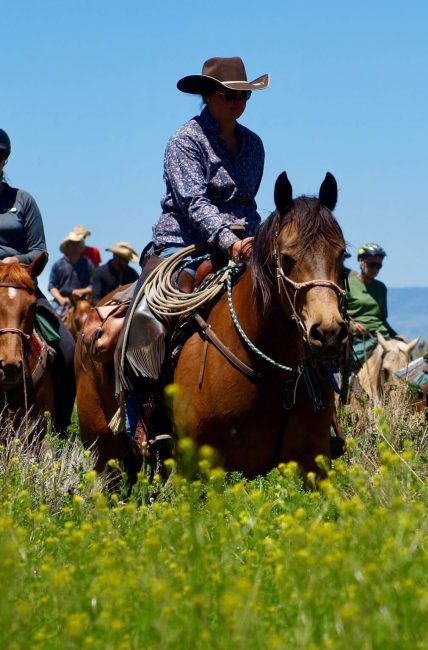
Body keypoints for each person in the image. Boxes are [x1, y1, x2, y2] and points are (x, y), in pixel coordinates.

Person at [119, 56, 268, 455]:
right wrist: (228, 240)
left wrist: (256, 240)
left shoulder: (253, 144)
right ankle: (139, 420)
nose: (238, 101)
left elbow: (249, 203)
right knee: (146, 317)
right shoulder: (185, 140)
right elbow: (193, 202)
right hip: (180, 245)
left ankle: (317, 411)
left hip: (243, 245)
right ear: (208, 95)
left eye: (244, 95)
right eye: (229, 94)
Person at [0, 128, 76, 430]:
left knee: (68, 350)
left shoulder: (23, 201)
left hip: (22, 287)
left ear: (4, 160)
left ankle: (59, 424)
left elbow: (38, 251)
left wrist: (13, 261)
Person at [346, 243, 404, 364]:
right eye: (372, 264)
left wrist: (397, 335)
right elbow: (340, 315)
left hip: (383, 336)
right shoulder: (347, 284)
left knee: (407, 360)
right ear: (361, 261)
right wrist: (352, 325)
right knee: (351, 363)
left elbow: (382, 319)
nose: (375, 269)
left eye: (379, 266)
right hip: (360, 338)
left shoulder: (381, 288)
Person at [48, 231, 94, 314]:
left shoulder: (88, 263)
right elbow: (51, 286)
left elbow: (93, 285)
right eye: (72, 244)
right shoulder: (58, 264)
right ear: (67, 247)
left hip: (83, 301)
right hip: (61, 301)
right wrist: (60, 299)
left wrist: (82, 291)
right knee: (49, 317)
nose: (75, 246)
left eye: (77, 243)